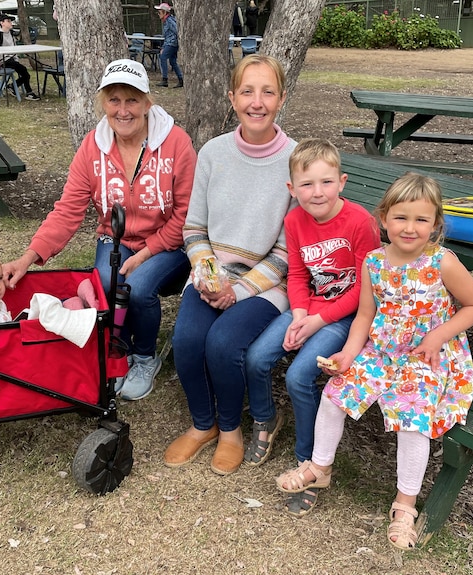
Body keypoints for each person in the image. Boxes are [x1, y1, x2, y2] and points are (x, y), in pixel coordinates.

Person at [275, 172, 473, 549]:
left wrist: (437, 335)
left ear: (435, 224)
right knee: (334, 394)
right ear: (384, 218)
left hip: (428, 354)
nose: (410, 228)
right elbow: (364, 316)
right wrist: (348, 354)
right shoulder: (373, 262)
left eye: (421, 220)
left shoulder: (442, 262)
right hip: (382, 350)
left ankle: (405, 504)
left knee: (413, 420)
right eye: (401, 218)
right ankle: (320, 467)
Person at [2, 59, 196, 401]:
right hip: (116, 237)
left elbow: (187, 214)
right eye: (114, 100)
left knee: (136, 287)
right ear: (102, 103)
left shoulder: (177, 143)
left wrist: (149, 251)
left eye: (132, 100)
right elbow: (67, 210)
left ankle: (144, 356)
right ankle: (117, 346)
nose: (123, 110)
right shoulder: (93, 147)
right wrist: (28, 258)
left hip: (170, 243)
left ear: (148, 102)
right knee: (104, 288)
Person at [164, 55, 297, 476]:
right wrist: (208, 277)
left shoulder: (295, 160)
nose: (257, 102)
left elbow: (287, 252)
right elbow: (194, 228)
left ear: (281, 98)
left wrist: (237, 292)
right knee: (185, 342)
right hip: (211, 275)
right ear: (232, 97)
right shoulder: (213, 153)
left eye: (267, 91)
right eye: (247, 91)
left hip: (266, 282)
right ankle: (202, 424)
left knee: (223, 344)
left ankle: (229, 431)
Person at [245, 138, 381, 513]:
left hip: (346, 317)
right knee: (257, 357)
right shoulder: (294, 220)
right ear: (292, 189)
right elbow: (298, 275)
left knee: (299, 377)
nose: (316, 192)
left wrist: (319, 319)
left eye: (325, 182)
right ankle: (266, 418)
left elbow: (365, 289)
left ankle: (311, 463)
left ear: (342, 181)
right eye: (306, 184)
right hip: (308, 310)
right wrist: (301, 314)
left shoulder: (361, 222)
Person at [0, 14, 40, 101]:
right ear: (2, 23)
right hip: (2, 61)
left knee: (25, 73)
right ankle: (28, 92)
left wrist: (16, 58)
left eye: (11, 21)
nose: (11, 23)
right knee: (24, 71)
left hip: (12, 60)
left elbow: (14, 47)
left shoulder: (11, 33)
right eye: (8, 21)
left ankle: (13, 86)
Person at [154, 3, 183, 89]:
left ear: (164, 12)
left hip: (171, 43)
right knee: (172, 62)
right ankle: (181, 79)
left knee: (162, 57)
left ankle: (165, 79)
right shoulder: (167, 21)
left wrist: (165, 47)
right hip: (172, 43)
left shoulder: (169, 21)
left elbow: (177, 31)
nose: (158, 14)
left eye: (159, 12)